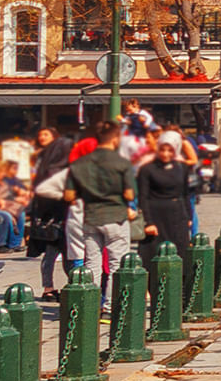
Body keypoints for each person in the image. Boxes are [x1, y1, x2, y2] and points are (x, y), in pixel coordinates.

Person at [66, 118, 139, 296]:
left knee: (92, 263)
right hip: (116, 216)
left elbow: (69, 195)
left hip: (91, 217)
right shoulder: (121, 163)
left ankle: (90, 303)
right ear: (115, 139)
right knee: (116, 264)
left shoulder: (79, 164)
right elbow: (130, 194)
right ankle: (109, 306)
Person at [135, 136, 199, 276]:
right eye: (162, 150)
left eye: (169, 150)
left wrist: (188, 215)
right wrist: (148, 222)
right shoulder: (147, 169)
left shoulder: (181, 167)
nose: (165, 154)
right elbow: (143, 197)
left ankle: (179, 284)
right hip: (156, 213)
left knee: (180, 249)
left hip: (177, 213)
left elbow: (185, 193)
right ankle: (150, 286)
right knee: (152, 251)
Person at [28, 156, 72, 293]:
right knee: (59, 256)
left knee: (59, 256)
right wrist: (62, 196)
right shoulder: (58, 179)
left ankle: (51, 287)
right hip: (57, 224)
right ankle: (50, 288)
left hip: (60, 222)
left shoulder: (57, 177)